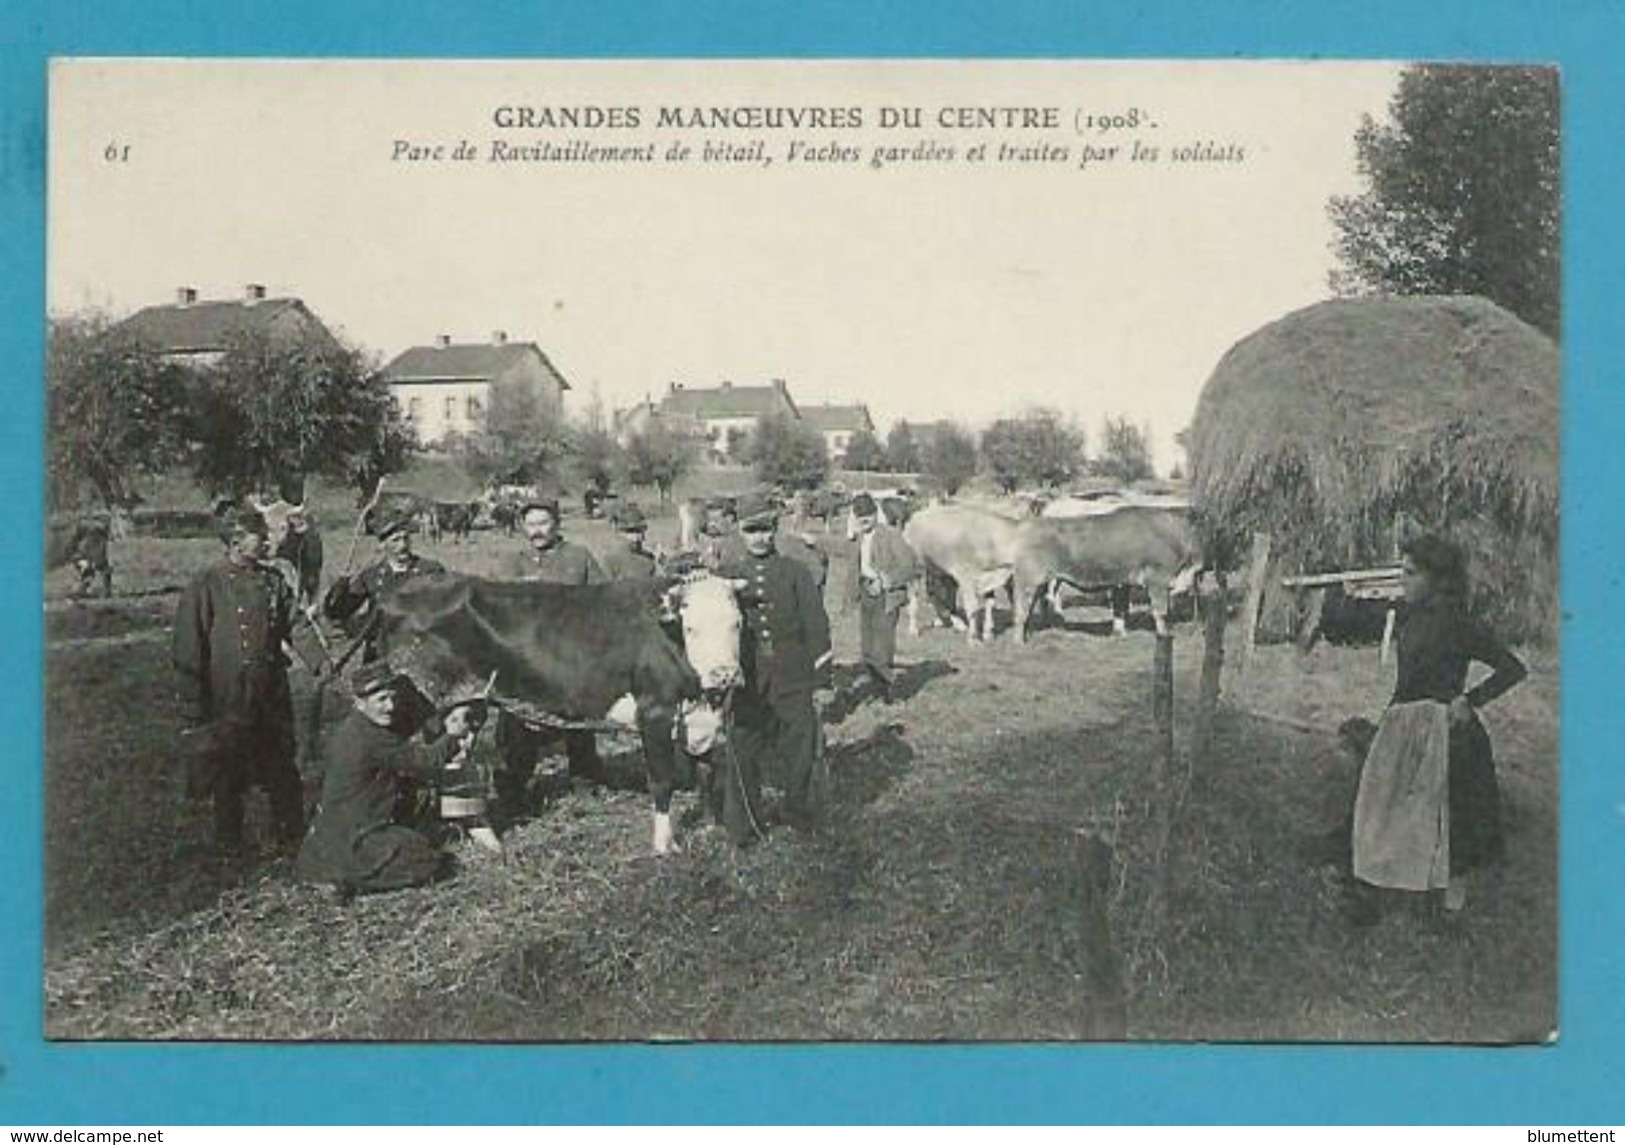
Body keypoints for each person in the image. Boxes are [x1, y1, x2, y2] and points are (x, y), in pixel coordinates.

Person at [1347, 534, 1528, 921]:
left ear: (1437, 579)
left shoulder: (1459, 624)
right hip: (1404, 723)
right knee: (1385, 802)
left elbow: (1513, 668)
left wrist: (1470, 700)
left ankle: (1449, 911)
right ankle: (1375, 890)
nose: (1403, 581)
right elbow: (1405, 679)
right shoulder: (1410, 619)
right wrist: (1389, 721)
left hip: (1444, 728)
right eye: (1403, 572)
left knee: (1451, 813)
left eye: (1411, 574)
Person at [171, 503, 306, 858]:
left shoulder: (274, 581)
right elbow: (189, 647)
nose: (267, 542)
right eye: (259, 536)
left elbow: (299, 627)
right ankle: (229, 842)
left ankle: (292, 834)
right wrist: (192, 705)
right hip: (228, 695)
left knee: (281, 762)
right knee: (229, 768)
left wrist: (324, 666)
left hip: (271, 691)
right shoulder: (206, 584)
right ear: (235, 541)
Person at [296, 662, 480, 901]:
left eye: (392, 698)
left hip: (330, 835)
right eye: (381, 700)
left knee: (415, 841)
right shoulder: (371, 738)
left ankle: (330, 874)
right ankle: (343, 880)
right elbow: (425, 761)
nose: (390, 707)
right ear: (360, 703)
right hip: (356, 836)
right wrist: (453, 736)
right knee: (430, 860)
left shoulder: (354, 727)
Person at [716, 493, 834, 839]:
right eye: (752, 531)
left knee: (798, 746)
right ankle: (744, 824)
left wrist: (822, 678)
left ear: (775, 530)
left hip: (792, 674)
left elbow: (816, 625)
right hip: (747, 679)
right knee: (743, 747)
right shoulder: (726, 578)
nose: (760, 538)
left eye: (766, 530)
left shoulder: (795, 573)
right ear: (739, 531)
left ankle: (797, 813)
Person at [494, 498, 609, 815]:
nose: (537, 531)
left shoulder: (578, 557)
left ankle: (584, 777)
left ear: (557, 524)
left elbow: (602, 599)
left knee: (578, 716)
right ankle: (515, 785)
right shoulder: (510, 562)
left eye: (544, 523)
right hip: (524, 655)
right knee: (519, 719)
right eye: (531, 525)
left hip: (571, 652)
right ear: (522, 528)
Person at [322, 504, 446, 662]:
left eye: (406, 538)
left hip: (419, 654)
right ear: (382, 545)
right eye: (395, 540)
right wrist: (340, 586)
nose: (403, 546)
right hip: (379, 654)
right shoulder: (371, 576)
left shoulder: (430, 570)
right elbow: (339, 612)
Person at [848, 492, 922, 702]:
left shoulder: (890, 535)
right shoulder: (858, 537)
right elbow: (841, 548)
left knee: (882, 648)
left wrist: (887, 580)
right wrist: (814, 541)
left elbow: (913, 567)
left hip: (887, 598)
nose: (865, 520)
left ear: (875, 514)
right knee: (867, 648)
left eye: (868, 516)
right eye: (860, 516)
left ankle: (894, 691)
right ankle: (878, 689)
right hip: (866, 594)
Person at [601, 503, 657, 580]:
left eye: (641, 531)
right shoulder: (610, 560)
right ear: (619, 532)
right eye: (632, 532)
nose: (639, 537)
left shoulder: (649, 558)